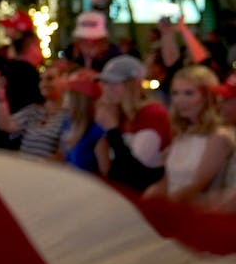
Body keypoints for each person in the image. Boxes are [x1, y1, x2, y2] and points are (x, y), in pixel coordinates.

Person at [145, 65, 233, 202]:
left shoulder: (218, 137)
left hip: (193, 213)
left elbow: (197, 187)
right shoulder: (182, 133)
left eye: (189, 93)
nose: (180, 100)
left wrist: (164, 207)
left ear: (207, 97)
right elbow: (166, 182)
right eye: (175, 93)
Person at [94, 54, 169, 192]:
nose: (107, 89)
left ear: (134, 84)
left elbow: (132, 176)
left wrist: (112, 131)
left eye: (114, 83)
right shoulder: (121, 115)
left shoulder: (152, 114)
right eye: (105, 83)